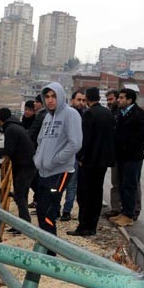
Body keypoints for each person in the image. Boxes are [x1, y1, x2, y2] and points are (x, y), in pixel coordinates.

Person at [32, 82, 82, 242]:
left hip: (60, 172)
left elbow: (75, 144)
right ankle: (44, 249)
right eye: (47, 97)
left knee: (49, 212)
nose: (50, 100)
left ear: (61, 96)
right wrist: (37, 160)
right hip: (43, 171)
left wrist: (54, 161)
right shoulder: (47, 117)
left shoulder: (71, 114)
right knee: (41, 210)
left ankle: (50, 254)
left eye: (54, 96)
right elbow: (40, 141)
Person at [68, 87, 115, 237]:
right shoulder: (108, 114)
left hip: (89, 162)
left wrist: (80, 157)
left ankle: (83, 226)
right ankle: (92, 227)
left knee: (84, 194)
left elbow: (85, 139)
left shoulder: (89, 114)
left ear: (87, 98)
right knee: (96, 194)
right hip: (102, 162)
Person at [0, 107, 37, 228]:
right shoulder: (15, 126)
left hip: (25, 166)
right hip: (28, 164)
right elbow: (11, 148)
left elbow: (9, 150)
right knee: (21, 195)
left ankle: (24, 226)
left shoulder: (10, 129)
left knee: (19, 196)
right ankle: (22, 223)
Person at [110, 88, 144, 227]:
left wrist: (128, 147)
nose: (118, 100)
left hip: (132, 157)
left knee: (130, 186)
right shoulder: (120, 113)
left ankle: (129, 215)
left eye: (121, 98)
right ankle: (123, 212)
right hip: (120, 157)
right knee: (122, 185)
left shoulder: (139, 114)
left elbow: (142, 136)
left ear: (129, 100)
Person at [60, 90, 88, 221]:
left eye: (83, 100)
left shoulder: (87, 116)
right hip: (63, 155)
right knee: (58, 184)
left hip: (76, 157)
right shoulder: (65, 114)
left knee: (72, 185)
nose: (81, 103)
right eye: (79, 100)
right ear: (72, 100)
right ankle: (54, 209)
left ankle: (67, 211)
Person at [103, 89, 127, 218]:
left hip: (127, 155)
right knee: (116, 183)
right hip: (115, 154)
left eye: (111, 99)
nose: (109, 102)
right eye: (107, 100)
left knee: (129, 184)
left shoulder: (124, 113)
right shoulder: (110, 114)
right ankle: (116, 209)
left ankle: (131, 210)